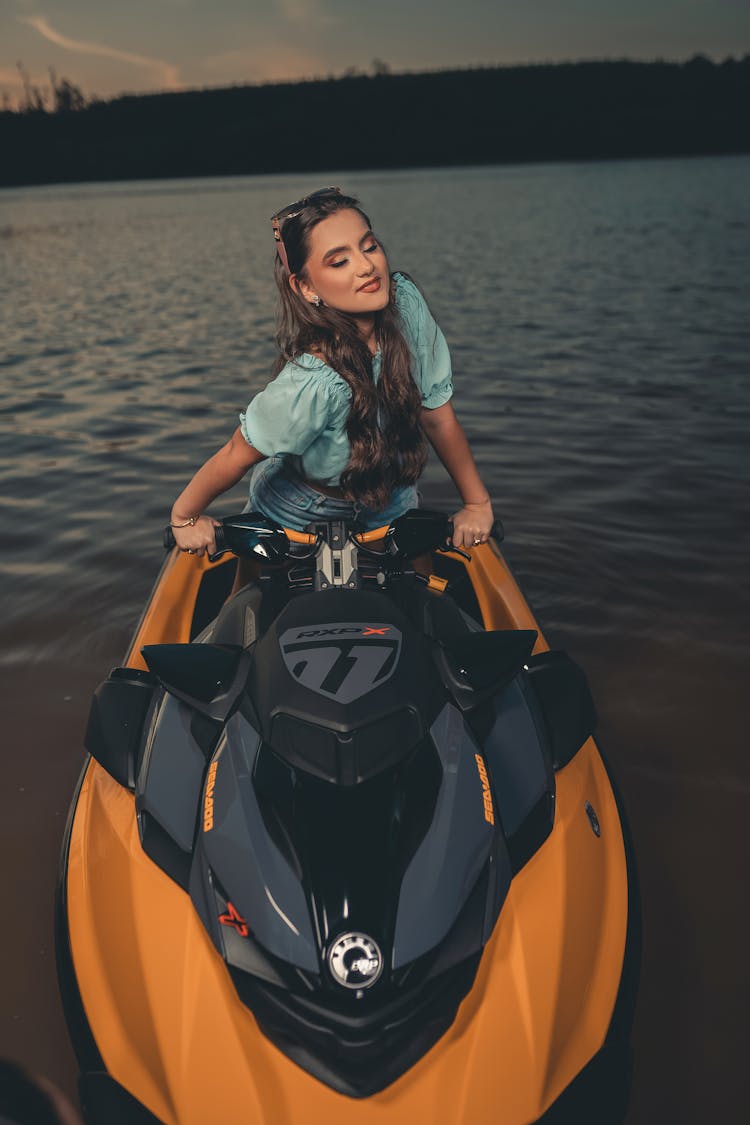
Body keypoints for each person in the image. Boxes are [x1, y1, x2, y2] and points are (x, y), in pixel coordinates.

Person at [170, 188, 494, 571]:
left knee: (424, 600)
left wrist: (477, 504)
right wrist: (184, 518)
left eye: (369, 247)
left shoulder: (405, 308)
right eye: (339, 261)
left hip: (389, 494)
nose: (366, 266)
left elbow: (437, 415)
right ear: (307, 288)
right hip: (297, 508)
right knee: (253, 604)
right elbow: (236, 454)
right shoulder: (311, 383)